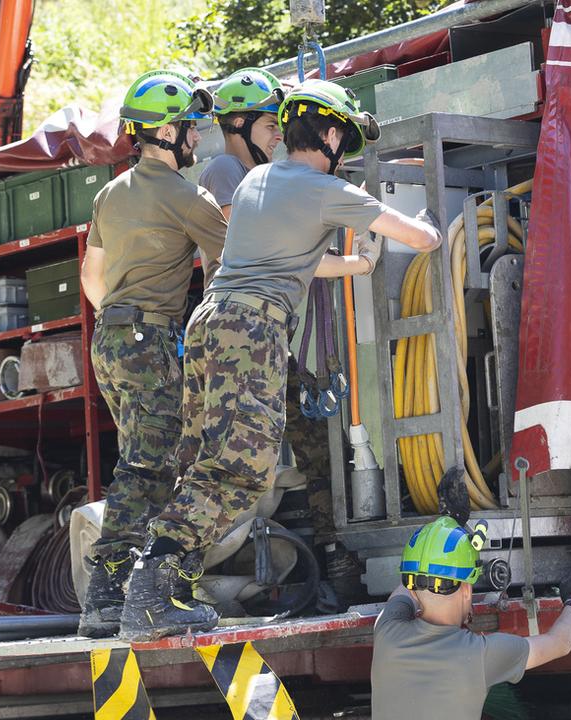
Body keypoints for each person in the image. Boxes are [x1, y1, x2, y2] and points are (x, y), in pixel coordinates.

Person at [118, 79, 442, 641]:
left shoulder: (256, 182)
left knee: (203, 465)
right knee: (242, 469)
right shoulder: (326, 189)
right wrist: (437, 223)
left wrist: (355, 268)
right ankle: (149, 591)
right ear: (333, 134)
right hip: (252, 329)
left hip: (209, 322)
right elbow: (420, 239)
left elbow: (292, 260)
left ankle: (161, 587)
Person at [76, 69, 227, 639]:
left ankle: (119, 594)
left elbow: (92, 275)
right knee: (148, 467)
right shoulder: (191, 198)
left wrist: (123, 315)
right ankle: (113, 595)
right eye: (190, 127)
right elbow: (228, 271)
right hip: (149, 341)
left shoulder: (110, 192)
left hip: (109, 341)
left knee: (141, 462)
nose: (195, 139)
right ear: (165, 131)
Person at [200, 67, 347, 610]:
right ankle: (178, 570)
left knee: (312, 440)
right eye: (267, 124)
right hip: (241, 335)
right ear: (237, 124)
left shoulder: (265, 176)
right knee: (240, 459)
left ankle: (330, 555)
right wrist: (349, 261)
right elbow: (272, 248)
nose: (277, 135)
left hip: (263, 334)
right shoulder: (225, 171)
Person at [370, 516, 571, 720]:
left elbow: (403, 591)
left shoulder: (387, 633)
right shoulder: (479, 655)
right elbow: (560, 643)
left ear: (413, 588)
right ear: (467, 591)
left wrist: (444, 539)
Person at [199, 67, 285, 219]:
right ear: (240, 123)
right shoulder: (225, 167)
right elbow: (238, 235)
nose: (279, 137)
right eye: (271, 126)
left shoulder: (256, 174)